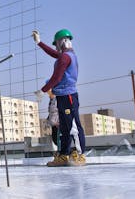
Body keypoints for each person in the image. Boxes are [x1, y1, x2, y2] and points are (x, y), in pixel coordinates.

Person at [32, 29, 86, 167]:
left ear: (62, 41)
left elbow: (57, 77)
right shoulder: (66, 56)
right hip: (62, 96)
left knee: (73, 126)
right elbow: (54, 54)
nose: (56, 46)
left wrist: (42, 91)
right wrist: (39, 42)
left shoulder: (66, 57)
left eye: (56, 43)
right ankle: (64, 155)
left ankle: (80, 155)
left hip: (68, 96)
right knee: (65, 128)